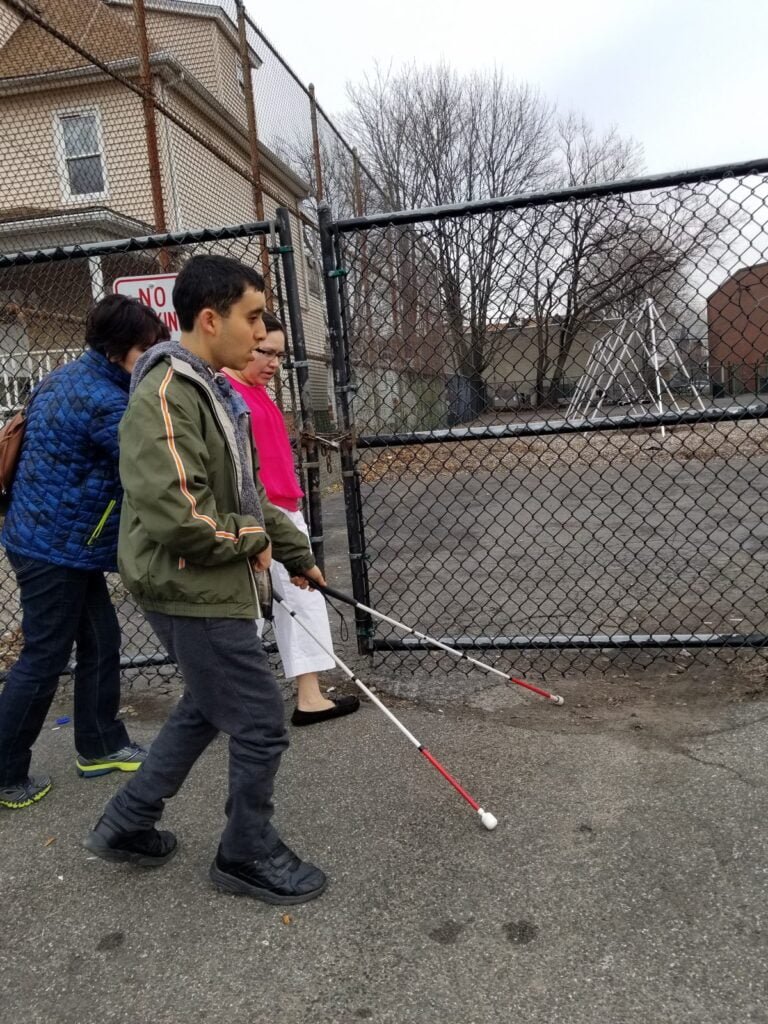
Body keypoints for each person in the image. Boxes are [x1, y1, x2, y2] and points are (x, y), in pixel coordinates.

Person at [85, 255, 329, 905]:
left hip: (206, 579)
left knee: (203, 706)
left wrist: (290, 550)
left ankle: (126, 821)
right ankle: (245, 852)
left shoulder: (215, 390)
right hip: (188, 583)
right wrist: (255, 542)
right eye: (251, 319)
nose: (260, 334)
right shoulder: (167, 391)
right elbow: (179, 515)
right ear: (210, 318)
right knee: (259, 721)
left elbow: (244, 496)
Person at [0, 295, 170, 810]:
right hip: (54, 547)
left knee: (101, 640)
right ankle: (5, 771)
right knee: (44, 657)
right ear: (120, 348)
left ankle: (100, 744)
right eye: (146, 348)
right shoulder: (106, 400)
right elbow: (150, 465)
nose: (153, 356)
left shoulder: (66, 377)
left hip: (55, 541)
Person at [224, 311, 360, 726]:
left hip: (286, 509)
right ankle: (230, 704)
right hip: (261, 515)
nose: (273, 363)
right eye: (264, 351)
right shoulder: (227, 394)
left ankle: (309, 694)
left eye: (280, 355)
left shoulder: (256, 391)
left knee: (302, 601)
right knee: (251, 610)